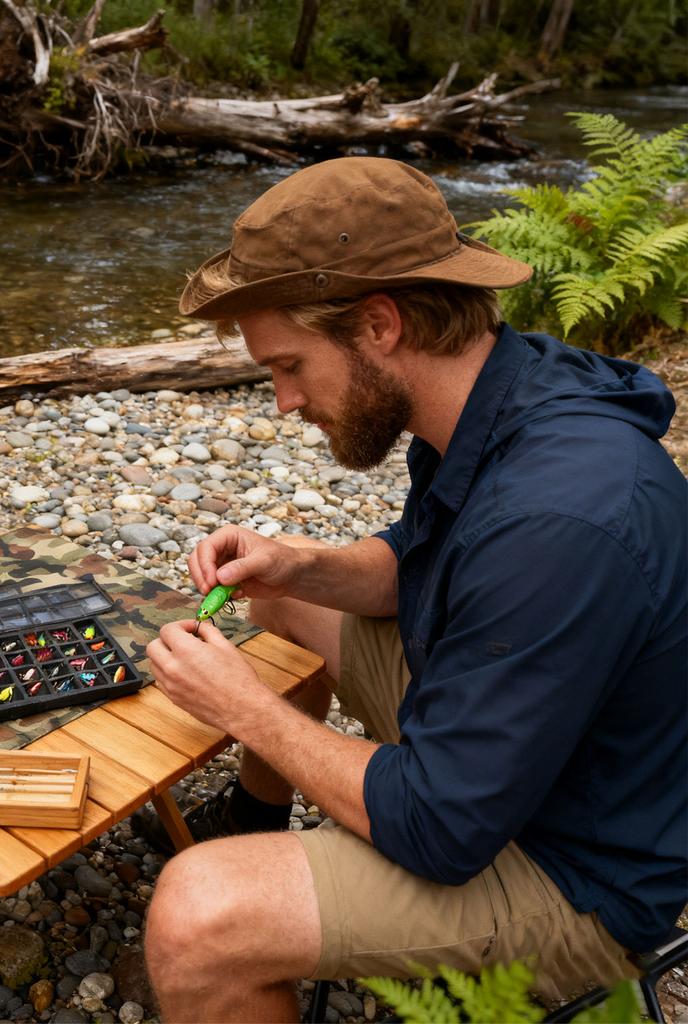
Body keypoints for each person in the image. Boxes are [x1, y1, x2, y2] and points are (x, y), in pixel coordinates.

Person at [141, 157, 687, 1021]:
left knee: (196, 916)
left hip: (572, 867)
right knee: (280, 592)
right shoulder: (493, 394)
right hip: (516, 754)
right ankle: (251, 819)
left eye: (290, 365)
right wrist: (296, 566)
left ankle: (240, 909)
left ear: (380, 324)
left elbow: (441, 827)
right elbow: (421, 561)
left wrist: (246, 709)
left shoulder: (557, 516)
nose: (284, 401)